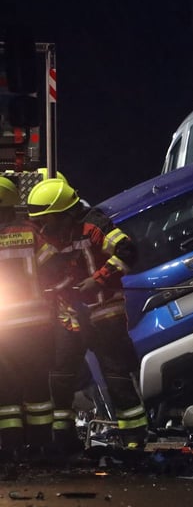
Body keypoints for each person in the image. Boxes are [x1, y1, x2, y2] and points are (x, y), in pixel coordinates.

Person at [27, 178, 147, 453]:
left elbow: (127, 251)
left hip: (103, 313)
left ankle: (134, 437)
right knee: (60, 376)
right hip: (70, 316)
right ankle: (63, 438)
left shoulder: (95, 225)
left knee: (116, 375)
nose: (44, 227)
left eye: (49, 219)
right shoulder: (53, 234)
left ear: (65, 213)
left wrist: (98, 280)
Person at [0, 177, 55, 460]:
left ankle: (10, 447)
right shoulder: (32, 233)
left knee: (6, 391)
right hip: (36, 327)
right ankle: (42, 445)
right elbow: (53, 266)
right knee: (37, 387)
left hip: (4, 331)